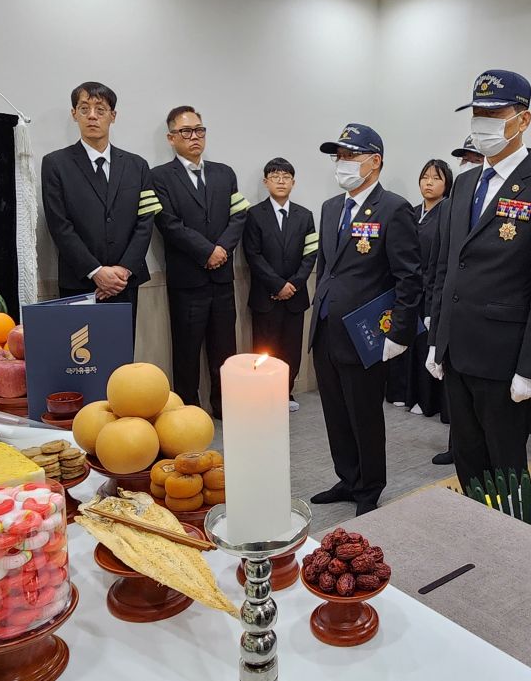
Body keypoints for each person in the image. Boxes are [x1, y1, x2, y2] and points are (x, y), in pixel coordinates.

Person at [426, 69, 531, 491]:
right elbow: (449, 267)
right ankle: (472, 522)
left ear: (523, 120)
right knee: (467, 456)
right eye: (477, 114)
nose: (483, 123)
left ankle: (507, 531)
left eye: (494, 114)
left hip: (504, 356)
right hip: (458, 349)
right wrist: (438, 338)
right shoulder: (466, 183)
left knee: (505, 467)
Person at [309, 124, 421, 516]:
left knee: (364, 415)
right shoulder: (330, 207)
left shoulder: (394, 208)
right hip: (326, 327)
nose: (341, 163)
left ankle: (369, 487)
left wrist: (399, 333)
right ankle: (348, 478)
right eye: (338, 156)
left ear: (374, 161)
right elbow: (326, 267)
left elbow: (409, 277)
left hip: (365, 333)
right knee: (335, 412)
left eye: (350, 156)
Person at [152, 106, 246, 419]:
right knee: (186, 352)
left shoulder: (225, 173)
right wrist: (207, 252)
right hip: (187, 281)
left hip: (222, 279)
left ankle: (226, 407)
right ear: (171, 138)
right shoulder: (159, 177)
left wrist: (222, 249)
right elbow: (168, 223)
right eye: (186, 131)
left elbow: (239, 216)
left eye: (199, 130)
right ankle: (187, 414)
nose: (194, 137)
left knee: (225, 349)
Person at [42, 82, 157, 328]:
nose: (92, 116)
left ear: (113, 116)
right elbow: (59, 225)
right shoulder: (55, 164)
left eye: (100, 109)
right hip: (80, 282)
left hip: (125, 282)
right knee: (81, 352)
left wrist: (123, 270)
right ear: (74, 114)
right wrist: (96, 271)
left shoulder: (137, 165)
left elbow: (145, 222)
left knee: (122, 349)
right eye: (84, 109)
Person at [243, 158, 317, 412]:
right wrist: (277, 285)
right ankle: (264, 394)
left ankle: (286, 392)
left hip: (295, 297)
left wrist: (293, 284)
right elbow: (253, 255)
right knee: (265, 348)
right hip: (266, 296)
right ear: (266, 182)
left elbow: (310, 254)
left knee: (291, 348)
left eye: (286, 177)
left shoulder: (305, 216)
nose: (281, 181)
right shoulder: (254, 215)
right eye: (275, 177)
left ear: (293, 182)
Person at [387, 160, 451, 428]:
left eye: (436, 178)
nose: (429, 182)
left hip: (432, 289)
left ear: (446, 184)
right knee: (406, 342)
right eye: (425, 177)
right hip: (408, 288)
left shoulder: (447, 213)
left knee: (427, 345)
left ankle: (427, 401)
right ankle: (406, 393)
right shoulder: (411, 212)